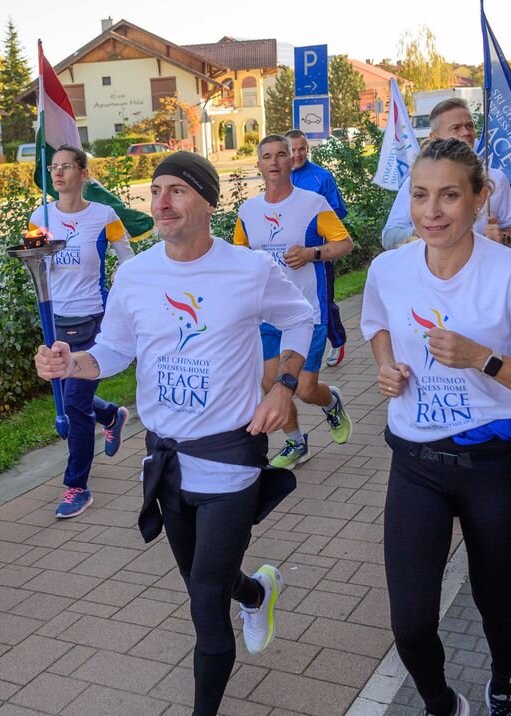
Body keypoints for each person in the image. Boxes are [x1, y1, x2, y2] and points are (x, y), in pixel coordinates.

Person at [34, 152, 317, 716]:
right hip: (165, 458)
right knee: (200, 580)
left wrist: (283, 386)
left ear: (208, 202)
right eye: (156, 190)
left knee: (205, 599)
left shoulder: (248, 269)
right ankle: (258, 592)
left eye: (177, 191)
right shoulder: (137, 274)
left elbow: (300, 316)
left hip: (230, 453)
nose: (161, 202)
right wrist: (74, 362)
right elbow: (115, 349)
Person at [362, 138, 511, 716]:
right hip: (415, 465)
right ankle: (444, 705)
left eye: (449, 196)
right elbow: (377, 324)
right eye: (420, 196)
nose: (431, 211)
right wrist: (386, 366)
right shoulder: (389, 269)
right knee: (409, 624)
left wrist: (483, 358)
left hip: (491, 467)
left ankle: (504, 679)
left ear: (482, 198)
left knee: (493, 601)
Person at [234, 135, 355, 467]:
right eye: (266, 156)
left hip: (305, 312)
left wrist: (312, 253)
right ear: (258, 165)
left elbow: (345, 244)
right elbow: (239, 256)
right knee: (271, 383)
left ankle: (330, 401)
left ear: (291, 161)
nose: (274, 161)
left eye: (281, 155)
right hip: (264, 314)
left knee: (303, 388)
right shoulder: (248, 210)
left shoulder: (313, 203)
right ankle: (296, 442)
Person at [27, 145, 134, 518]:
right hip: (56, 320)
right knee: (75, 398)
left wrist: (122, 283)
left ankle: (77, 486)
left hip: (94, 321)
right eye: (53, 168)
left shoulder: (104, 215)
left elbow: (127, 259)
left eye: (66, 167)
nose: (57, 174)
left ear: (83, 174)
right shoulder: (40, 214)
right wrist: (40, 253)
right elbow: (34, 264)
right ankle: (110, 416)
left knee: (72, 405)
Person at [382, 98, 511, 251]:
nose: (466, 132)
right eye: (456, 128)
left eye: (470, 126)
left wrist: (503, 237)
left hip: (483, 269)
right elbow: (388, 237)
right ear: (434, 138)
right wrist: (419, 232)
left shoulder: (494, 178)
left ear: (481, 196)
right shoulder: (417, 182)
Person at [286, 128, 349, 367]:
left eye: (302, 149)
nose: (298, 154)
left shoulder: (321, 177)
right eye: (293, 150)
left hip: (318, 255)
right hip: (288, 256)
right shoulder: (280, 176)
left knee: (323, 302)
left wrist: (314, 221)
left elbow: (338, 210)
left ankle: (337, 339)